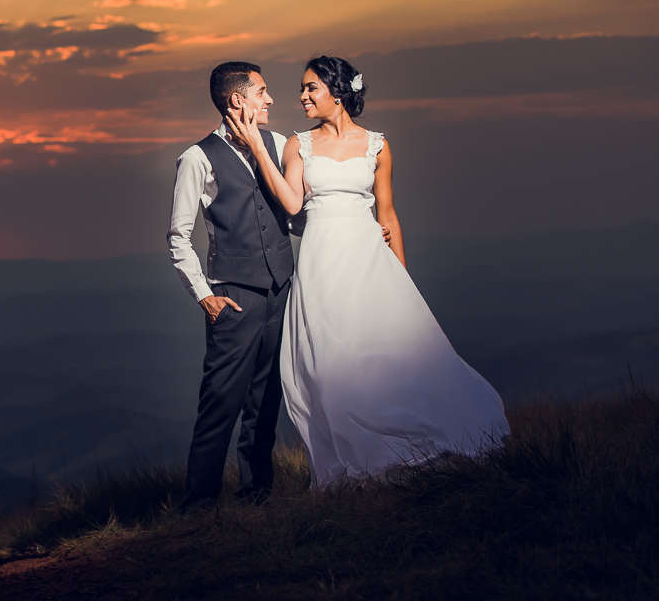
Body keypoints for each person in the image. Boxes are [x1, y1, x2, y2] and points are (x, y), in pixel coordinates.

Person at [225, 55, 510, 485]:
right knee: (332, 363)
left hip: (368, 260)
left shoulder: (377, 144)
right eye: (302, 88)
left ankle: (404, 448)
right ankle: (356, 459)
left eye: (310, 88)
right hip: (322, 262)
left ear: (337, 93)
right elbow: (290, 203)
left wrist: (401, 281)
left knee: (386, 355)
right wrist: (256, 149)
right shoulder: (296, 145)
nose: (301, 95)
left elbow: (389, 216)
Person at [167, 61, 295, 512]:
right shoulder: (197, 157)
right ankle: (199, 504)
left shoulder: (279, 145)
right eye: (262, 92)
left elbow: (294, 215)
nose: (270, 100)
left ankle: (258, 494)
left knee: (266, 400)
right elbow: (178, 236)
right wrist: (206, 296)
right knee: (221, 400)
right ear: (236, 100)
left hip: (281, 290)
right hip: (233, 297)